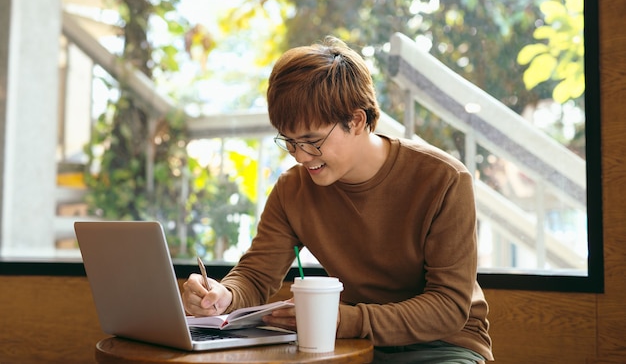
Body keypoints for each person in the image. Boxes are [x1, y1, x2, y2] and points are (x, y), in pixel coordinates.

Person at [182, 36, 493, 363]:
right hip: (345, 344)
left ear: (357, 121)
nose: (301, 156)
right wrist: (223, 297)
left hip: (443, 346)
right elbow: (256, 276)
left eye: (312, 141)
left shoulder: (443, 179)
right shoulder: (294, 189)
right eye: (289, 142)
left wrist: (345, 320)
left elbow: (448, 307)